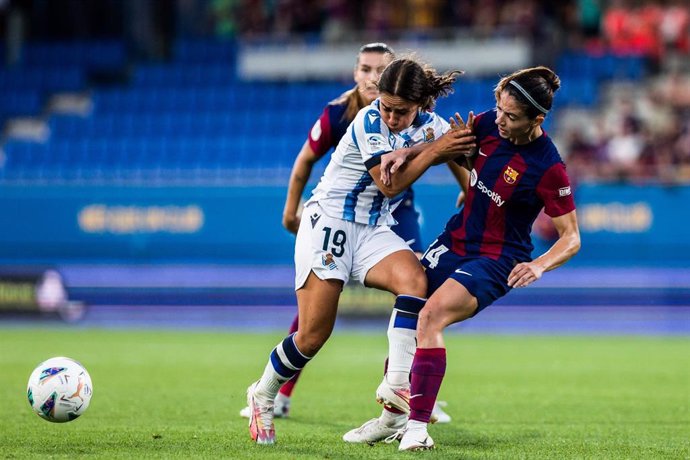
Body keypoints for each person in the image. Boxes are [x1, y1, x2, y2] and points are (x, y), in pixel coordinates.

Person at [245, 57, 477, 445]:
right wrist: (436, 151)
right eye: (386, 106)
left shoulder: (432, 127)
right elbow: (390, 185)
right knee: (314, 335)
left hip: (372, 229)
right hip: (329, 223)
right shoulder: (369, 120)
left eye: (400, 111)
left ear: (421, 105)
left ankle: (397, 385)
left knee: (416, 280)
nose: (390, 116)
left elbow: (457, 153)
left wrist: (468, 185)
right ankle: (263, 393)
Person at [370, 65, 581, 451]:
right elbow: (450, 148)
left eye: (511, 116)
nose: (499, 119)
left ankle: (416, 430)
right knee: (409, 305)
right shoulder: (488, 123)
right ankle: (391, 420)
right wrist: (407, 151)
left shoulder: (549, 167)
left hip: (497, 259)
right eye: (498, 108)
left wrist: (538, 265)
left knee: (431, 316)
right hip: (456, 240)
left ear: (538, 119)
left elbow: (571, 239)